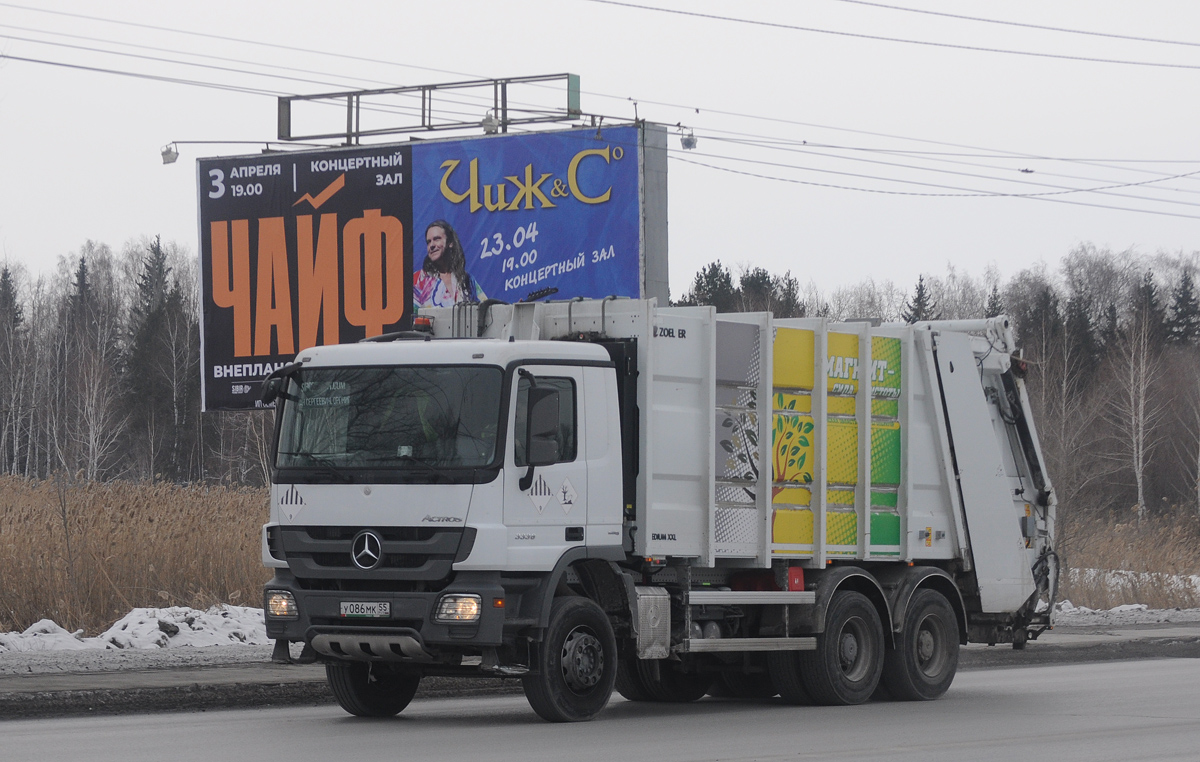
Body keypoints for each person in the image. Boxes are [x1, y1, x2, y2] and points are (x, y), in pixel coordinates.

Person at [413, 220, 486, 308]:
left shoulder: (467, 281)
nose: (431, 245)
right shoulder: (418, 280)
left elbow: (485, 310)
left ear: (450, 243)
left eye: (436, 239)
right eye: (428, 242)